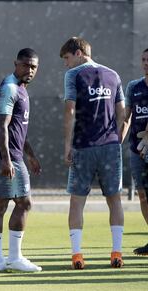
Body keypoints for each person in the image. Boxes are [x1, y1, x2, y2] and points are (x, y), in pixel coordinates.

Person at [60, 37, 125, 269]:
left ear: (78, 53)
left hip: (83, 146)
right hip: (110, 147)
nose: (66, 64)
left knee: (77, 202)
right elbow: (122, 113)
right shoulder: (113, 75)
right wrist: (116, 140)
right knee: (114, 200)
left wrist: (67, 145)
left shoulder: (73, 75)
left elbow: (69, 110)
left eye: (67, 58)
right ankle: (117, 253)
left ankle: (77, 255)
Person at [0, 48, 42, 272]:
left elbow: (18, 130)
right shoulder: (9, 88)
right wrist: (7, 160)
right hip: (2, 157)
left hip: (13, 156)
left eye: (34, 66)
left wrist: (30, 155)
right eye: (26, 65)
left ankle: (5, 259)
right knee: (9, 204)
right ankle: (5, 259)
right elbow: (2, 125)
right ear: (15, 63)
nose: (29, 70)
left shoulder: (21, 89)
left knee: (13, 204)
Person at [121, 48, 148, 256]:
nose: (146, 63)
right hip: (136, 151)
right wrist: (117, 141)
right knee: (143, 196)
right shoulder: (134, 87)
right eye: (143, 60)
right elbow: (126, 118)